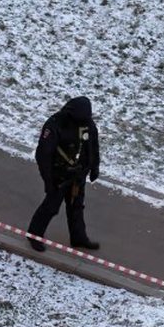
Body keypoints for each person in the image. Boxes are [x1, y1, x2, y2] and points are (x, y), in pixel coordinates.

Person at [27, 96, 101, 252]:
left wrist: (94, 167)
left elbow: (93, 146)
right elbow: (43, 154)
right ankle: (34, 234)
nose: (84, 121)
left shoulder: (87, 124)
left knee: (76, 207)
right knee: (51, 207)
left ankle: (78, 238)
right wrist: (48, 181)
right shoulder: (55, 124)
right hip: (58, 176)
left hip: (78, 176)